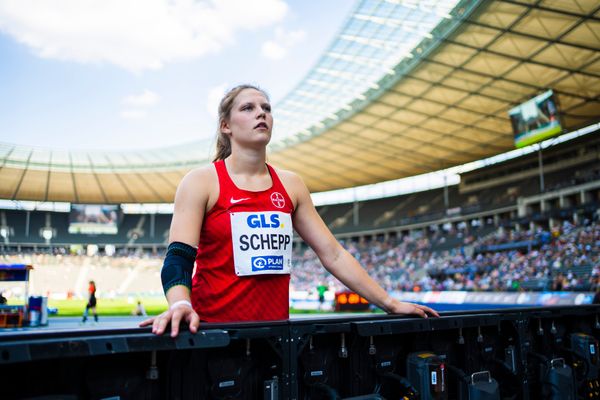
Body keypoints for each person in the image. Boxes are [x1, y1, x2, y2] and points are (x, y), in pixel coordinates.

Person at [140, 84, 438, 337]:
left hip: (277, 337)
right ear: (226, 126)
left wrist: (389, 302)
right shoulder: (201, 182)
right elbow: (178, 257)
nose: (261, 113)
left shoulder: (291, 185)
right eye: (248, 108)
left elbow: (333, 254)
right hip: (214, 335)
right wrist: (180, 304)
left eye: (266, 108)